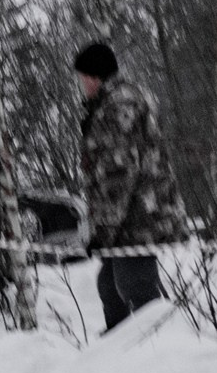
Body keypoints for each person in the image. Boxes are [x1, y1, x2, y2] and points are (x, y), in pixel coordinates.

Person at [74, 41, 186, 331]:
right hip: (133, 215)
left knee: (133, 284)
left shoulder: (116, 108)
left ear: (94, 77)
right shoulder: (118, 101)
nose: (81, 85)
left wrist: (104, 229)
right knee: (110, 285)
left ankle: (164, 350)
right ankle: (118, 354)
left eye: (82, 78)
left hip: (138, 216)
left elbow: (118, 173)